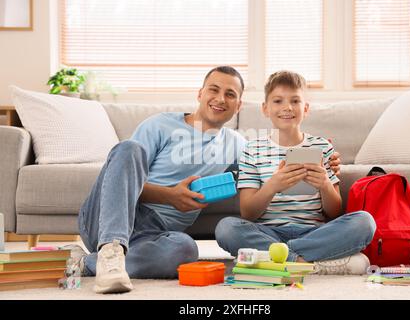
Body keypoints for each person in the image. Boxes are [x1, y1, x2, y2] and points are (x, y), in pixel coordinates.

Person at [72, 66, 343, 294]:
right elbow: (120, 175)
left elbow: (266, 163)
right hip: (110, 218)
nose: (220, 98)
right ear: (200, 94)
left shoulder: (238, 144)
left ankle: (91, 264)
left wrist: (326, 161)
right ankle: (110, 248)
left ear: (238, 106)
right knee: (128, 148)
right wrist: (169, 196)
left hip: (156, 236)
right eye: (214, 89)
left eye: (230, 94)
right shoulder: (160, 125)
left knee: (186, 251)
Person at [215, 71, 376, 275]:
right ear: (265, 109)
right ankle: (307, 261)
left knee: (364, 222)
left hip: (313, 232)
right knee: (226, 228)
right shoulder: (251, 150)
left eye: (295, 101)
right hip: (269, 233)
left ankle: (282, 259)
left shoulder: (322, 147)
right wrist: (273, 185)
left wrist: (325, 184)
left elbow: (334, 212)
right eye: (278, 101)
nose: (287, 107)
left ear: (305, 108)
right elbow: (248, 213)